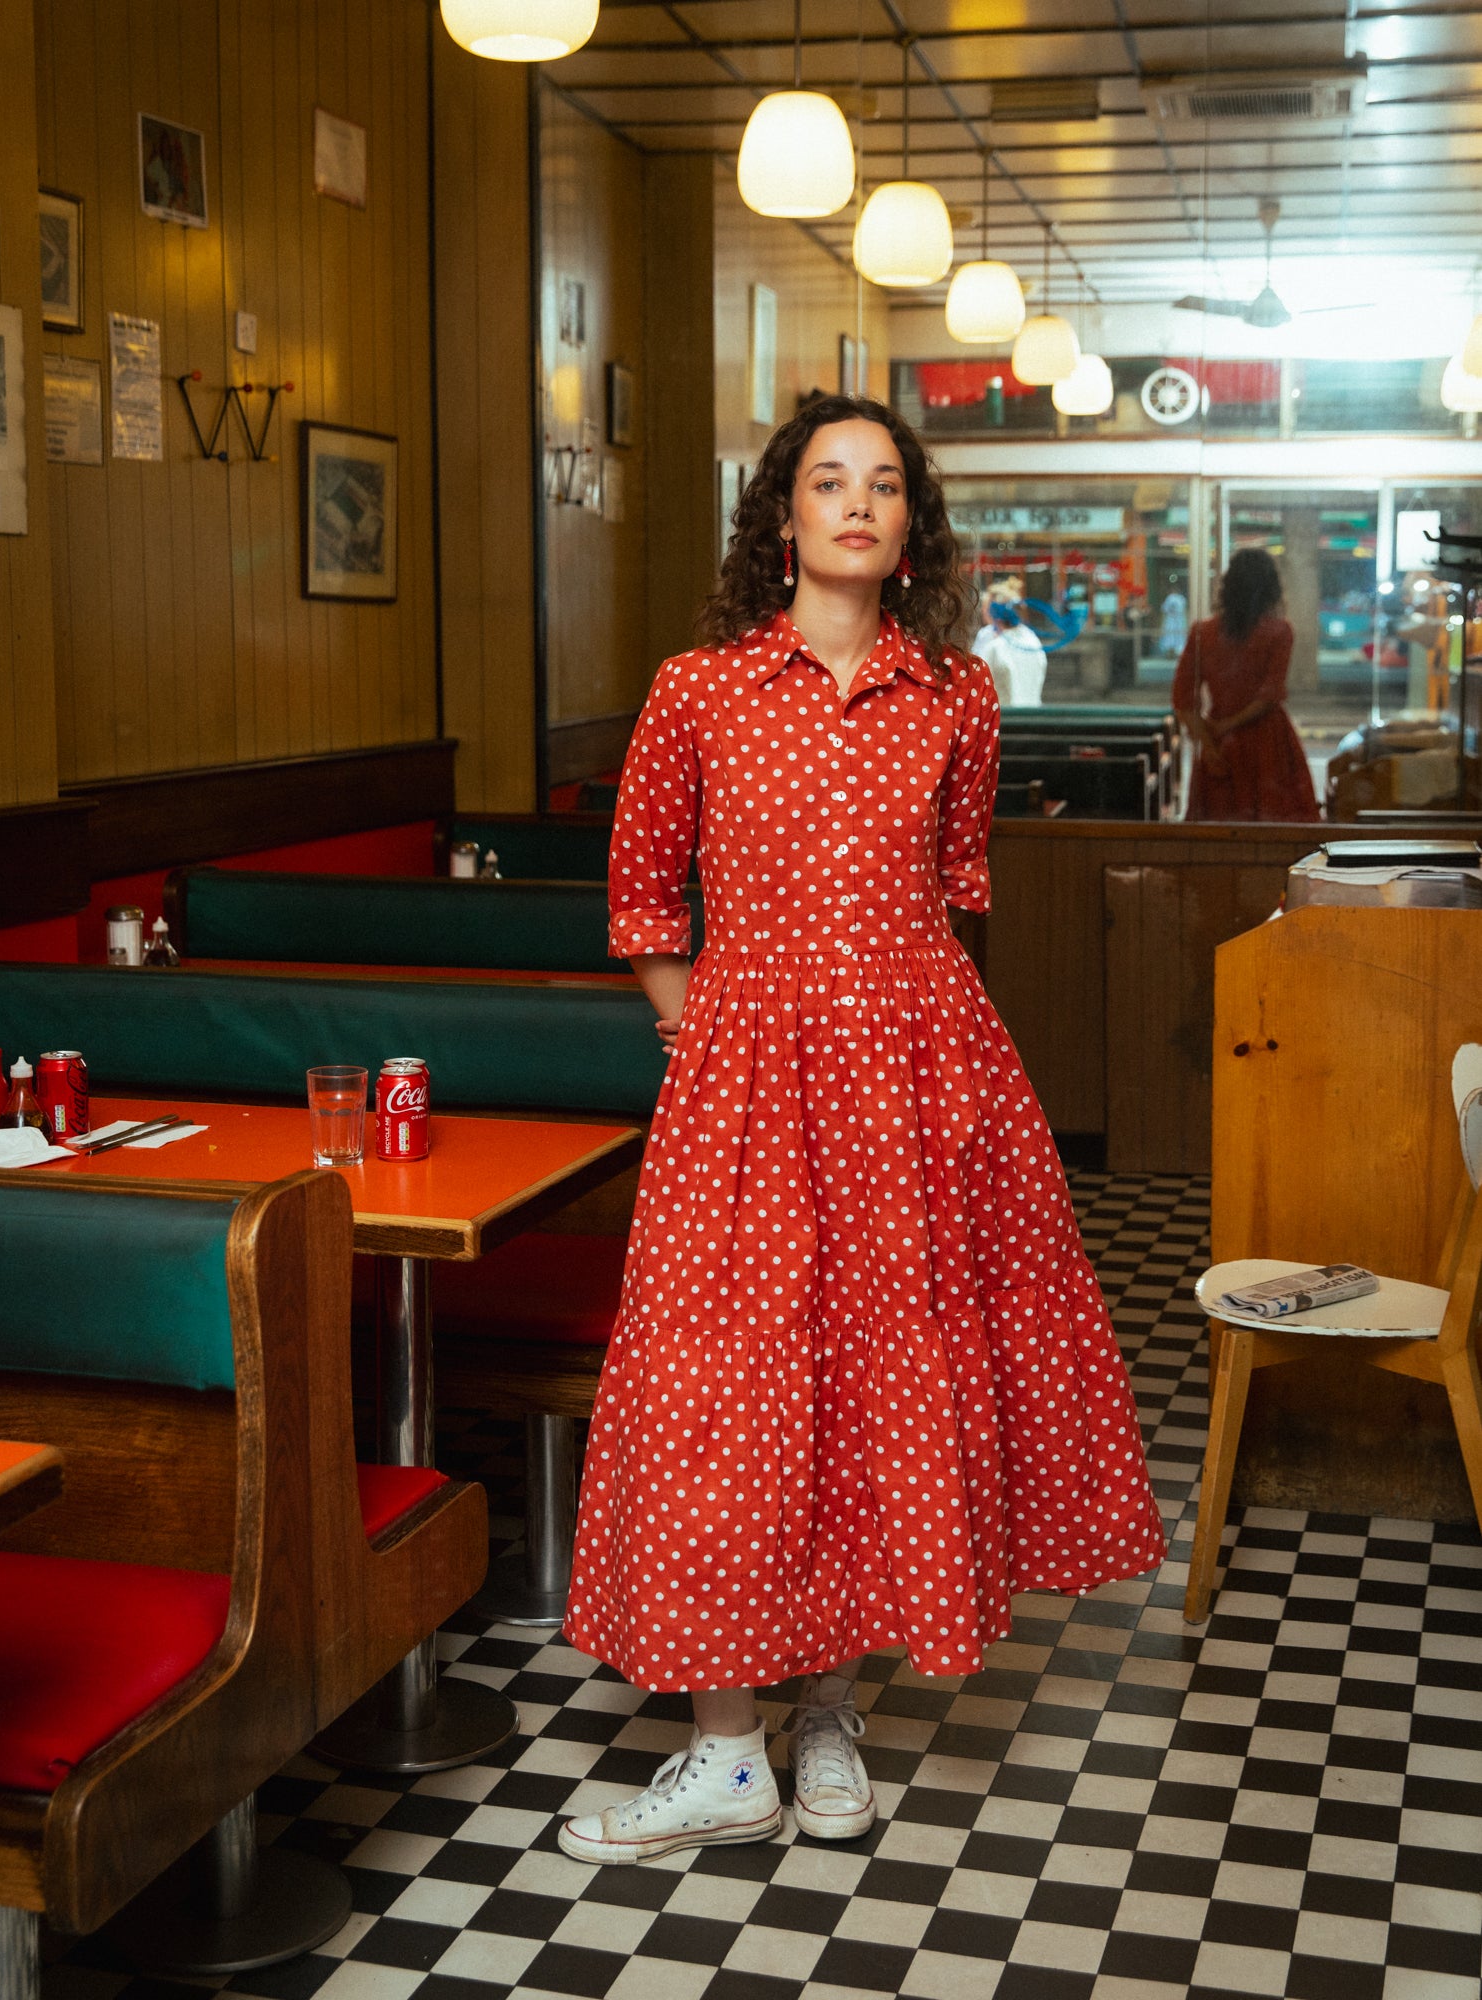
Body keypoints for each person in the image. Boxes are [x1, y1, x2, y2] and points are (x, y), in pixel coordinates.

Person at [557, 395, 1166, 1866]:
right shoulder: (697, 688)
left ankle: (824, 1724)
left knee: (870, 1392)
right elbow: (644, 900)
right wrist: (698, 1030)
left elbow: (958, 887)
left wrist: (902, 1045)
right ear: (781, 521)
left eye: (882, 485)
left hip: (917, 1077)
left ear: (910, 530)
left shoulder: (956, 694)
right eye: (826, 481)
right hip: (746, 1082)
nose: (854, 503)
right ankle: (721, 1748)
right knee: (727, 1394)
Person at [1172, 548, 1319, 821]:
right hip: (1267, 738)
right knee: (1275, 822)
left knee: (1218, 826)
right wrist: (1229, 725)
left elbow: (1183, 698)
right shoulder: (1280, 631)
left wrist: (1211, 743)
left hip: (1218, 738)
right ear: (1271, 588)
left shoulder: (1202, 633)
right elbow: (1270, 694)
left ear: (1228, 585)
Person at [971, 574, 1048, 705]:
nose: (984, 612)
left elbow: (975, 681)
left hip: (1005, 717)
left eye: (987, 608)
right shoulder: (1032, 640)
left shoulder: (995, 647)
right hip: (1032, 714)